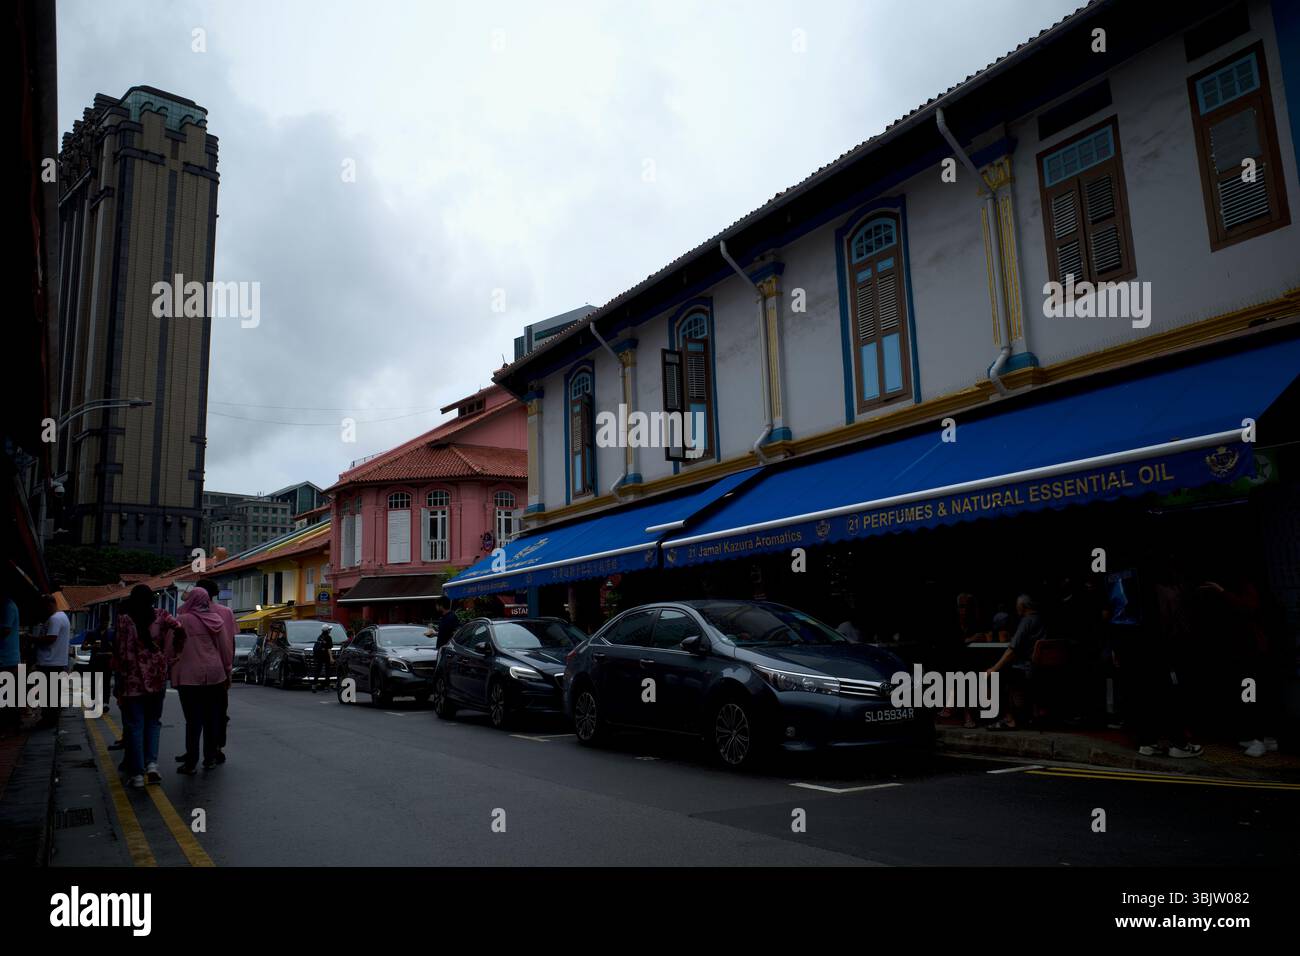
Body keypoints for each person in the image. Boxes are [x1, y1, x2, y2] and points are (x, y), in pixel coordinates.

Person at [112, 585, 184, 788]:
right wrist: (172, 654)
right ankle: (152, 764)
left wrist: (119, 683)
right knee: (153, 722)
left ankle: (136, 774)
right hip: (156, 677)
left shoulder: (124, 620)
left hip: (132, 679)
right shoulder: (161, 615)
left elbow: (119, 652)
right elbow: (179, 628)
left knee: (135, 726)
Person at [172, 587, 233, 774]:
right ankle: (210, 758)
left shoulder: (181, 621)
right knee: (211, 719)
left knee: (193, 721)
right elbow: (225, 649)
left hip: (189, 677)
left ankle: (191, 762)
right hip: (214, 675)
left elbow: (171, 648)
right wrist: (227, 671)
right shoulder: (216, 620)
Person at [985, 594, 1046, 730]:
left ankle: (1009, 719)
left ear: (1022, 606)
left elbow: (1012, 650)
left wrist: (993, 669)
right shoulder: (1041, 620)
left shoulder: (1026, 621)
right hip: (1040, 668)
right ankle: (1031, 714)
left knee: (995, 676)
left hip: (1027, 669)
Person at [197, 580, 236, 763]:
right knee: (218, 712)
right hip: (219, 670)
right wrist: (229, 669)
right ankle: (215, 748)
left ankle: (193, 753)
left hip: (194, 672)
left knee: (196, 715)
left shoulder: (187, 614)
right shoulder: (225, 612)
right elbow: (230, 643)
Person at [34, 594, 72, 728]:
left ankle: (48, 720)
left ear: (49, 605)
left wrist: (32, 638)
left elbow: (51, 638)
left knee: (48, 694)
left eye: (44, 607)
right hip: (56, 661)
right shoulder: (63, 617)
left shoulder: (55, 619)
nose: (43, 610)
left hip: (50, 661)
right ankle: (51, 719)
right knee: (52, 694)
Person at [0, 581, 21, 734]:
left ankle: (10, 726)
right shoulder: (9, 605)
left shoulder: (7, 606)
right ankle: (12, 725)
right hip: (8, 657)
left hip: (7, 658)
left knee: (6, 695)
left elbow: (5, 630)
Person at [311, 624, 334, 692]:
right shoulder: (329, 638)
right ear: (327, 630)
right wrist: (331, 658)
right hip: (326, 656)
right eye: (329, 629)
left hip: (319, 656)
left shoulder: (320, 637)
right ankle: (326, 687)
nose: (330, 630)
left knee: (317, 671)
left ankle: (314, 686)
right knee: (327, 671)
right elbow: (329, 649)